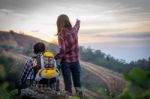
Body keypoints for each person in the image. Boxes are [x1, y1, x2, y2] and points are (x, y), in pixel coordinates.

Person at [55, 14, 83, 98]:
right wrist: (78, 20)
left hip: (66, 62)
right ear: (67, 21)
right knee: (77, 84)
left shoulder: (61, 35)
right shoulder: (74, 30)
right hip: (76, 61)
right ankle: (80, 97)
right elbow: (77, 26)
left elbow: (63, 50)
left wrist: (56, 57)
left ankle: (69, 97)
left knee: (68, 85)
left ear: (59, 23)